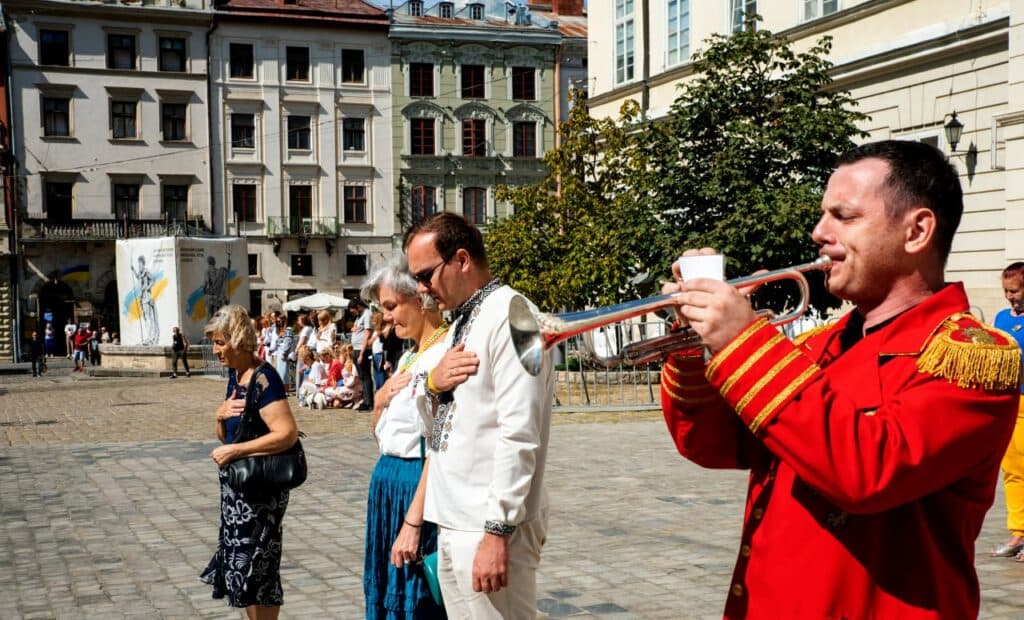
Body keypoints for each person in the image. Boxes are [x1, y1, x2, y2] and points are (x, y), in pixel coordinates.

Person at [659, 140, 1020, 618]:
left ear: (916, 231)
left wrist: (745, 340)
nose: (818, 232)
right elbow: (715, 445)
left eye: (844, 217)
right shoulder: (817, 347)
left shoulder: (969, 357)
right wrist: (693, 344)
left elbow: (866, 471)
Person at [405, 212, 555, 618]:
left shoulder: (515, 316)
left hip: (487, 524)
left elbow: (520, 433)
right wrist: (433, 385)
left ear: (461, 260)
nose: (422, 290)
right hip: (454, 516)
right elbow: (436, 427)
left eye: (426, 276)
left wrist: (497, 530)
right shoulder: (461, 322)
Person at [360, 258, 448, 618]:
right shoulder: (410, 357)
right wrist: (379, 401)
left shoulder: (443, 356)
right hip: (388, 484)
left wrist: (413, 521)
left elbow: (439, 444)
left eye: (392, 306)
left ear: (420, 299)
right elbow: (382, 436)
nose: (387, 317)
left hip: (415, 488)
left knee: (416, 595)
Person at [200, 305, 299, 618]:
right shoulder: (236, 376)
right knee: (244, 574)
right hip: (237, 493)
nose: (215, 350)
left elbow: (287, 434)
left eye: (219, 342)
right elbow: (226, 435)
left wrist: (236, 452)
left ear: (238, 340)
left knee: (260, 570)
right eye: (214, 343)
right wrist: (219, 415)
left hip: (260, 494)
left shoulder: (263, 378)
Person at [992, 262, 1024, 559]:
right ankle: (1018, 533)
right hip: (1011, 401)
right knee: (1012, 470)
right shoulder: (1001, 318)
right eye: (1005, 291)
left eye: (1013, 290)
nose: (1009, 296)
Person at [350, 299, 375, 411]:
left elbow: (367, 333)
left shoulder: (367, 314)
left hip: (362, 349)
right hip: (356, 348)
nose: (353, 313)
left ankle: (369, 402)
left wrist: (362, 353)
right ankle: (365, 399)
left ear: (358, 307)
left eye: (353, 311)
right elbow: (357, 329)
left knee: (365, 376)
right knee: (361, 376)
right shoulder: (359, 316)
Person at [131, 255, 159, 345]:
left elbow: (153, 280)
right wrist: (133, 270)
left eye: (140, 264)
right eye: (138, 265)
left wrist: (147, 287)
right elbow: (138, 277)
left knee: (149, 317)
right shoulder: (140, 272)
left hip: (147, 296)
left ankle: (150, 337)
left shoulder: (146, 271)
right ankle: (148, 337)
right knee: (146, 317)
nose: (139, 266)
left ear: (143, 264)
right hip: (142, 296)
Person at [204, 253, 231, 320]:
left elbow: (206, 283)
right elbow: (227, 271)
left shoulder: (208, 272)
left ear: (208, 262)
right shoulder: (220, 271)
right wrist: (229, 261)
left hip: (211, 296)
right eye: (214, 260)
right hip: (218, 297)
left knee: (211, 315)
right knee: (219, 315)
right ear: (213, 262)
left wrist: (205, 290)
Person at [367, 312, 388, 391]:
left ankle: (382, 389)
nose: (372, 322)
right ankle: (379, 389)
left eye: (374, 320)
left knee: (380, 374)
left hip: (380, 354)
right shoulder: (376, 331)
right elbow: (370, 343)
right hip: (375, 354)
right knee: (376, 374)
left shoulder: (382, 331)